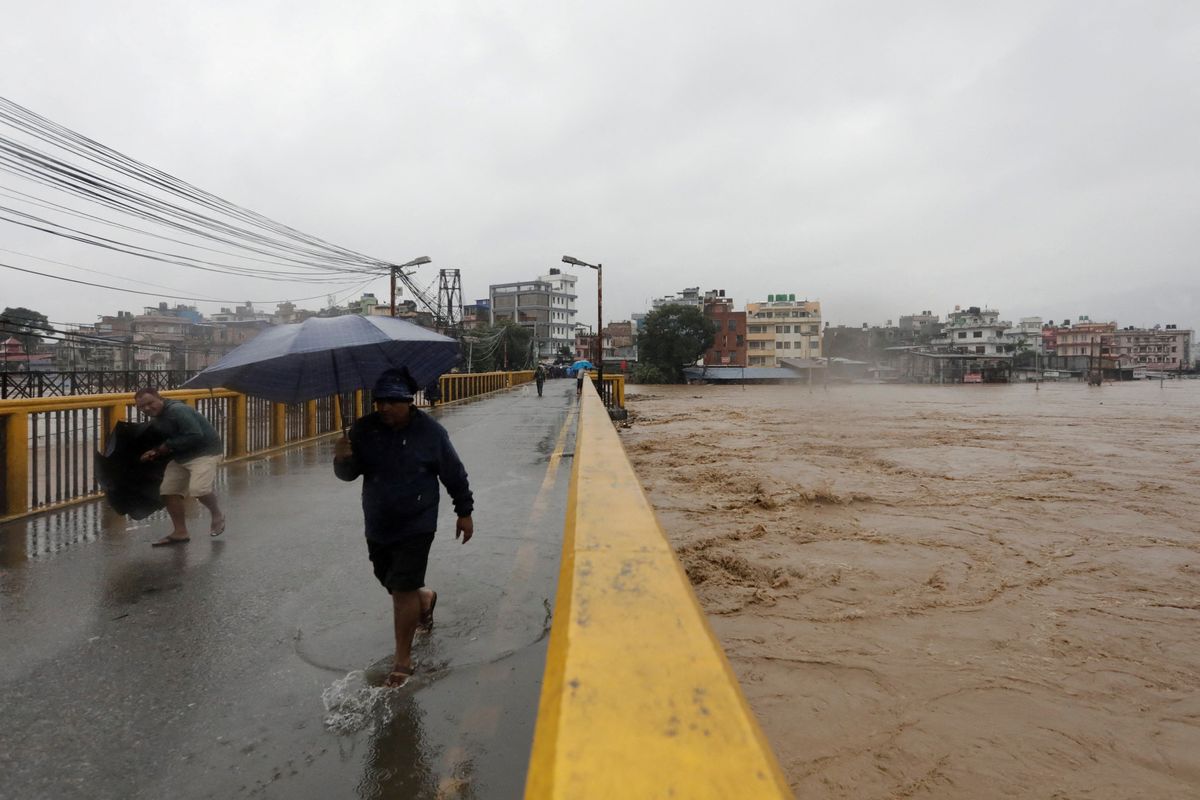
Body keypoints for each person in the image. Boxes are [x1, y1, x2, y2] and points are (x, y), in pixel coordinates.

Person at [334, 367, 474, 688]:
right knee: (390, 581)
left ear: (408, 402)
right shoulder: (364, 430)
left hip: (417, 521)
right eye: (379, 401)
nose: (383, 408)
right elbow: (349, 475)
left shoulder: (431, 433)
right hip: (378, 521)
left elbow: (454, 474)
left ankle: (403, 660)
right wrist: (342, 459)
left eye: (391, 402)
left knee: (401, 589)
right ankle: (424, 599)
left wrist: (464, 512)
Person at [134, 388, 226, 546]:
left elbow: (195, 435)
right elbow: (167, 442)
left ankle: (217, 514)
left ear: (159, 398)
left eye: (150, 403)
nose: (147, 408)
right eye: (142, 407)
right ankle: (180, 532)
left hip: (205, 453)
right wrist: (155, 452)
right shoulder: (158, 418)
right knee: (168, 491)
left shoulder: (178, 410)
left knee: (199, 489)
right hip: (182, 456)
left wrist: (166, 447)